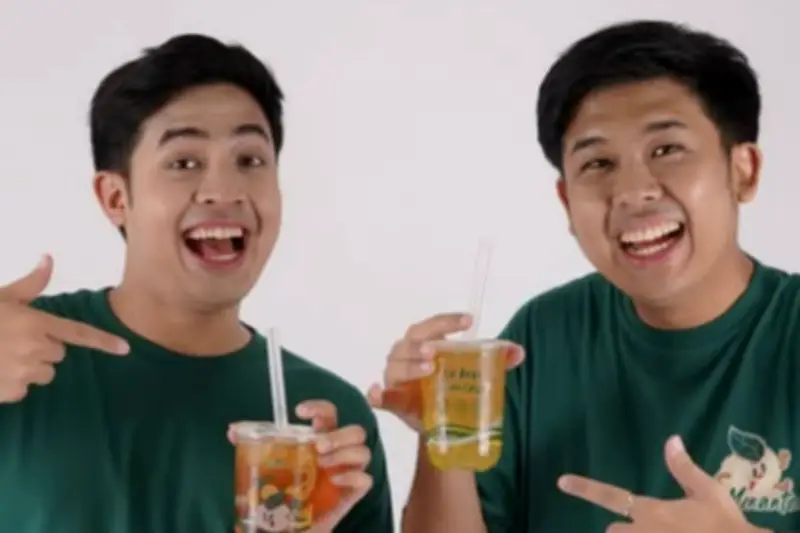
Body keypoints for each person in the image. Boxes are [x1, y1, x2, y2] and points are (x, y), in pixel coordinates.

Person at [370, 19, 800, 533]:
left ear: (743, 170)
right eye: (598, 163)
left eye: (667, 150)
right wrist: (443, 434)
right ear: (566, 202)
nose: (632, 191)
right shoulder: (541, 336)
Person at [0, 34, 393, 533]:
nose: (224, 190)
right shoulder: (18, 359)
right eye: (184, 163)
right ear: (116, 198)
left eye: (250, 160)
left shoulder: (331, 428)